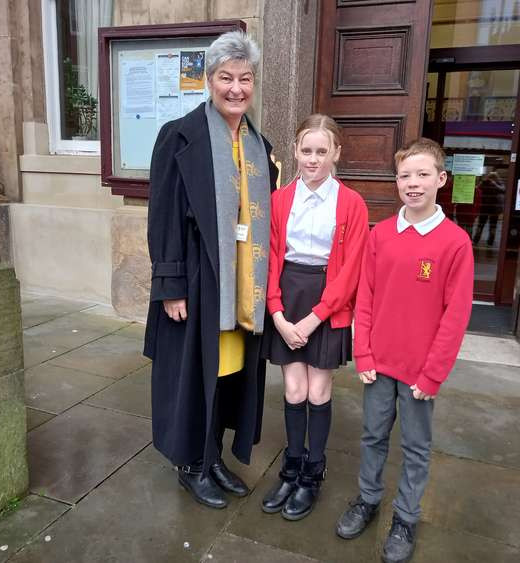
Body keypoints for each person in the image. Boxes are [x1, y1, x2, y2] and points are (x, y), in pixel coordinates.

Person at [144, 31, 278, 510]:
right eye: (226, 77)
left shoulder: (259, 144)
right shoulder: (179, 136)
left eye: (245, 78)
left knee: (228, 373)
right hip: (200, 280)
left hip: (243, 282)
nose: (236, 88)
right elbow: (162, 217)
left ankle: (214, 456)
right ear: (209, 80)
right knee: (193, 375)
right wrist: (171, 284)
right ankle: (191, 465)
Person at [335, 138, 474, 563]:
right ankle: (368, 498)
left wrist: (433, 374)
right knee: (373, 436)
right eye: (405, 176)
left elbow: (455, 316)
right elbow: (367, 297)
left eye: (423, 175)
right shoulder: (381, 235)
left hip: (418, 374)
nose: (413, 184)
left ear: (441, 179)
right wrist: (365, 353)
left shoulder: (454, 243)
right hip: (379, 366)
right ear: (396, 182)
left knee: (415, 447)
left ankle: (407, 517)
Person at [261, 114, 369, 520]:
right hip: (288, 295)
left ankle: (313, 474)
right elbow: (271, 258)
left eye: (322, 151)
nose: (313, 159)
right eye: (306, 150)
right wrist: (276, 312)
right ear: (294, 151)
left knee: (317, 390)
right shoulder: (279, 200)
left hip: (328, 300)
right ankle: (291, 468)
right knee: (292, 389)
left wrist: (314, 318)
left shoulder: (352, 204)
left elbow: (350, 269)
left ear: (336, 153)